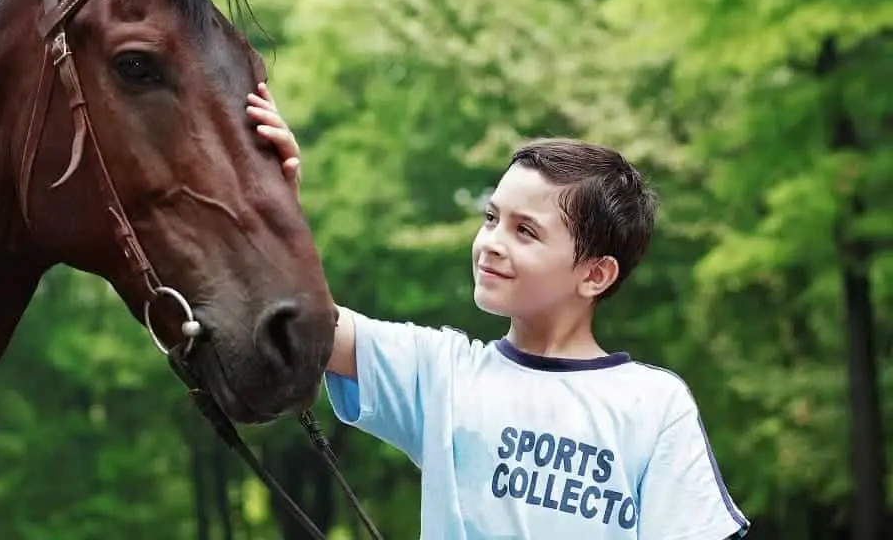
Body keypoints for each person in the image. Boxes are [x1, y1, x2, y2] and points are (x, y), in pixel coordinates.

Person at [246, 82, 750, 540]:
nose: (491, 243)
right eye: (491, 218)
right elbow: (308, 320)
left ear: (595, 274)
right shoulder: (441, 372)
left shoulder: (654, 406)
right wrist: (274, 201)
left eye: (525, 231)